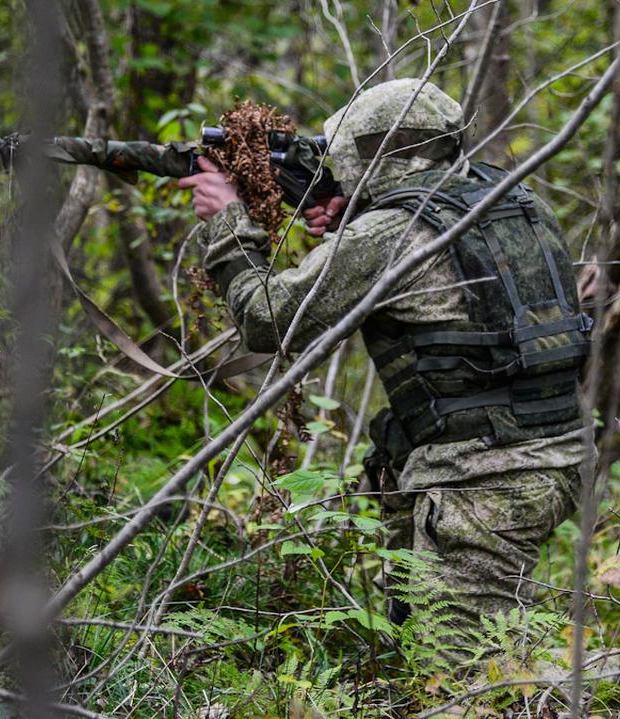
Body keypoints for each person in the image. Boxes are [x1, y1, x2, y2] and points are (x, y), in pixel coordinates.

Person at [179, 79, 593, 661]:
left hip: (481, 482)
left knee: (469, 681)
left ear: (364, 151)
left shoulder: (393, 234)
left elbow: (267, 318)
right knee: (425, 649)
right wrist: (358, 219)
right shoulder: (517, 203)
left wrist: (228, 223)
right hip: (544, 458)